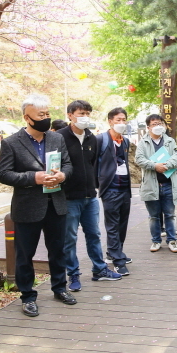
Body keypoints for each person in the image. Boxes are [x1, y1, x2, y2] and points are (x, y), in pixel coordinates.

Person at [0, 93, 77, 318]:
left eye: (47, 113)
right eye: (40, 114)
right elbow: (4, 174)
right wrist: (35, 178)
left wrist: (62, 175)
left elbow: (68, 164)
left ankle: (60, 288)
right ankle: (28, 297)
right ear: (27, 117)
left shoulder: (56, 138)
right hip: (27, 207)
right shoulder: (11, 142)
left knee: (58, 251)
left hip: (56, 204)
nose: (46, 118)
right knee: (25, 254)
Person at [58, 101, 121, 292]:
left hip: (90, 197)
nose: (85, 117)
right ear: (70, 115)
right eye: (81, 113)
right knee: (69, 238)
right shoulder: (59, 137)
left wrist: (95, 188)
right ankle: (74, 274)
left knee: (94, 234)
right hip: (69, 198)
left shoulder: (91, 138)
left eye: (88, 113)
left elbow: (93, 165)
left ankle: (99, 269)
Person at [135, 114, 177, 253]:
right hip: (151, 185)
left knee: (170, 214)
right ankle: (156, 241)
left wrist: (166, 165)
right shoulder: (143, 143)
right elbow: (139, 159)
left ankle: (172, 240)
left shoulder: (170, 141)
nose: (158, 127)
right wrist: (155, 166)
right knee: (154, 216)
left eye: (160, 124)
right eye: (155, 124)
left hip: (169, 184)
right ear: (148, 127)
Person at [97, 107, 133, 275]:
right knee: (112, 224)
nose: (121, 123)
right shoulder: (100, 140)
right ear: (110, 121)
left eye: (123, 120)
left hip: (125, 188)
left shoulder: (125, 141)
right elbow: (93, 164)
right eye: (118, 120)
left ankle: (115, 253)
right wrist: (99, 183)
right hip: (110, 189)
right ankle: (118, 261)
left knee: (122, 224)